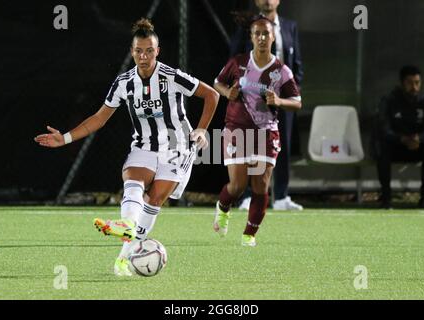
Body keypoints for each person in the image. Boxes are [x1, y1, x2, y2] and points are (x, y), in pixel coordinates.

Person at [34, 18, 219, 275]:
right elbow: (99, 118)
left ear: (158, 51)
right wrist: (65, 138)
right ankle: (128, 226)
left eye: (149, 51)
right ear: (132, 52)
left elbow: (213, 95)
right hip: (144, 145)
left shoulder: (172, 77)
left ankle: (124, 255)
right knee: (133, 179)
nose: (144, 56)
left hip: (178, 146)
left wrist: (201, 129)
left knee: (154, 198)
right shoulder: (124, 83)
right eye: (139, 51)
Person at [213, 15, 302, 246]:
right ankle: (223, 208)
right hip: (237, 129)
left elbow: (297, 101)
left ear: (273, 37)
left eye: (266, 33)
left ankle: (249, 235)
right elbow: (218, 83)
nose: (262, 37)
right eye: (257, 34)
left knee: (260, 184)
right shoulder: (238, 62)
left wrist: (279, 101)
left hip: (266, 131)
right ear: (251, 37)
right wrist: (227, 93)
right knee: (238, 186)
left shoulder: (281, 70)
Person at [231, 0, 304, 211]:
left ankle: (281, 197)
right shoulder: (247, 27)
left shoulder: (290, 27)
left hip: (281, 99)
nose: (267, 0)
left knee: (283, 146)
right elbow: (235, 58)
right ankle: (247, 197)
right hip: (252, 100)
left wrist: (290, 92)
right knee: (251, 147)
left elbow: (297, 63)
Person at [375, 65, 424, 209]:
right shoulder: (389, 100)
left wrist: (418, 139)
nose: (414, 87)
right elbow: (384, 129)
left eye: (417, 83)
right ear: (402, 83)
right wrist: (401, 139)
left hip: (417, 147)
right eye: (410, 83)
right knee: (382, 147)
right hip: (396, 146)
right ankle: (386, 199)